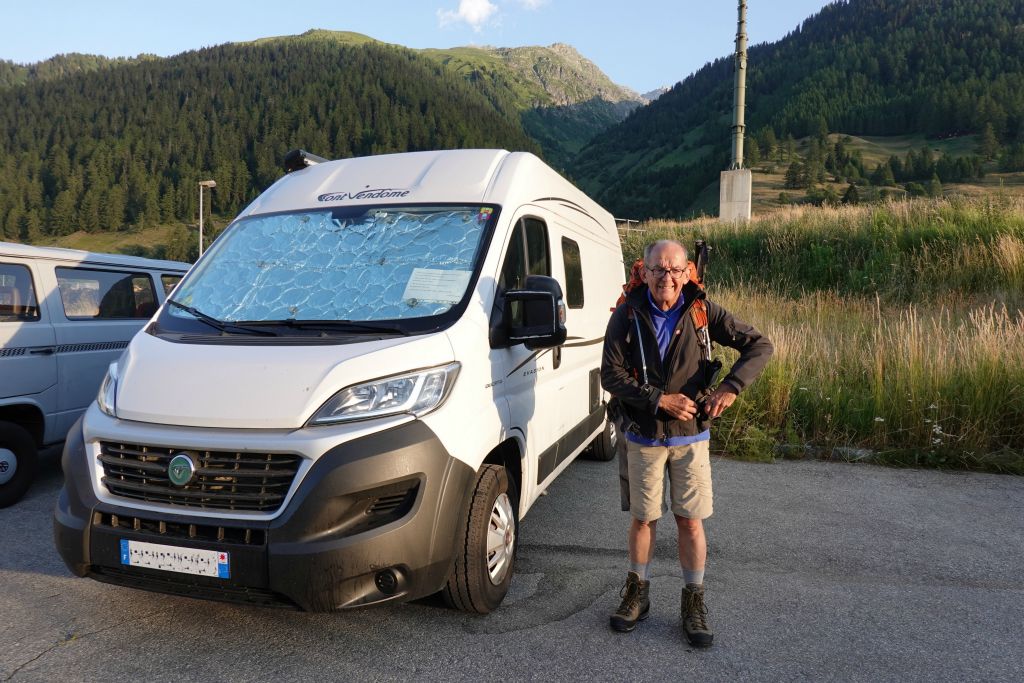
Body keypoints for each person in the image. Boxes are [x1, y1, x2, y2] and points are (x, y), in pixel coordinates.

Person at [601, 239, 773, 647]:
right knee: (643, 519)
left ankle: (693, 602)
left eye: (675, 270)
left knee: (690, 521)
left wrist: (731, 387)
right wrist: (657, 399)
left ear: (687, 272)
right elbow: (609, 374)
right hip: (643, 433)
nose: (667, 278)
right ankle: (636, 595)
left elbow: (759, 345)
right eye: (658, 269)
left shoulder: (701, 310)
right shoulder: (627, 311)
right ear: (643, 271)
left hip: (690, 437)